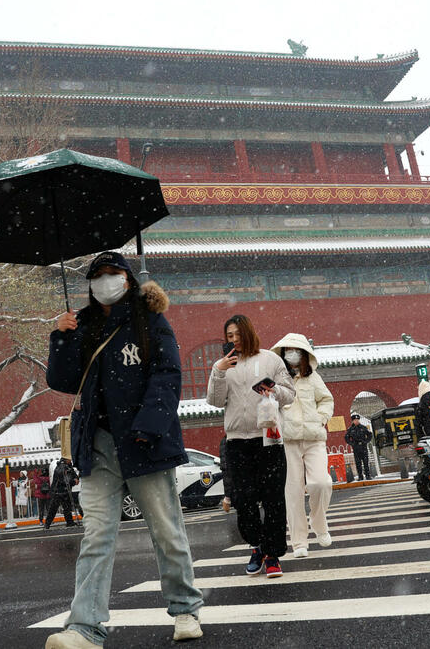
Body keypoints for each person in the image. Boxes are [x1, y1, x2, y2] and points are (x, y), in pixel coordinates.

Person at [45, 251, 203, 647]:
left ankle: (185, 608)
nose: (105, 280)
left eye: (112, 272)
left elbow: (167, 374)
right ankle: (85, 627)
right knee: (96, 536)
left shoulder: (150, 321)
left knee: (166, 530)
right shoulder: (82, 325)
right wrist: (61, 337)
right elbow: (63, 381)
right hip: (97, 444)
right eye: (97, 275)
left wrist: (148, 426)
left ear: (128, 279)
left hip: (143, 442)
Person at [207, 314, 295, 578]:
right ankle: (256, 546)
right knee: (244, 500)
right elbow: (215, 401)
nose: (233, 339)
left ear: (248, 333)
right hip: (237, 442)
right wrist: (219, 371)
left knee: (273, 498)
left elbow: (290, 394)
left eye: (237, 334)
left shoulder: (271, 360)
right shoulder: (223, 365)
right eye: (229, 336)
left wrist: (273, 391)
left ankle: (273, 554)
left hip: (268, 439)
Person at [271, 333, 334, 558]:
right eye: (288, 350)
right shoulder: (277, 379)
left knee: (321, 483)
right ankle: (299, 541)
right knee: (293, 492)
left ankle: (319, 524)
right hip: (288, 441)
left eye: (296, 350)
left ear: (305, 354)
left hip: (314, 438)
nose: (292, 354)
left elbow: (326, 400)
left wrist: (321, 418)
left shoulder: (313, 378)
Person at [44, 458, 78, 529]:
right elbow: (64, 480)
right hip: (58, 491)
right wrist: (74, 481)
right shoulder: (60, 467)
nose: (70, 460)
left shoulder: (68, 467)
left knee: (67, 508)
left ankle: (69, 522)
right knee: (54, 509)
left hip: (64, 490)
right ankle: (47, 524)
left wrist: (75, 479)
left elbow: (74, 476)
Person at [345, 413, 373, 481]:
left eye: (357, 420)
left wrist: (366, 441)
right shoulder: (350, 429)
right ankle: (360, 476)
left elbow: (369, 434)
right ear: (352, 421)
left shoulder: (363, 427)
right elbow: (346, 437)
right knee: (358, 463)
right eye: (355, 420)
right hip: (356, 448)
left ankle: (368, 476)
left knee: (366, 462)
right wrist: (352, 443)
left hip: (363, 447)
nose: (356, 421)